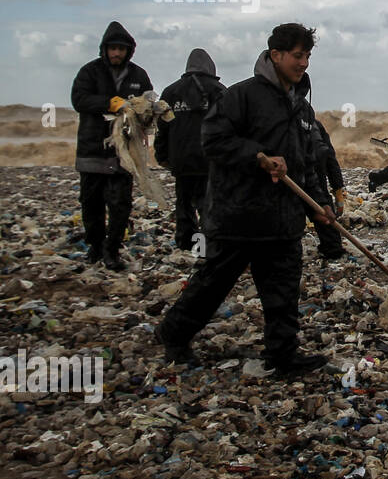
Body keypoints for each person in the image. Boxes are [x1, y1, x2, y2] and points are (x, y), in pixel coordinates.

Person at [154, 23, 336, 375]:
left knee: (283, 291)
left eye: (308, 56)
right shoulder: (240, 96)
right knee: (212, 284)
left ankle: (282, 354)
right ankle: (173, 334)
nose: (304, 64)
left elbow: (306, 164)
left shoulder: (301, 107)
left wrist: (319, 203)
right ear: (276, 55)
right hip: (239, 215)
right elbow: (213, 141)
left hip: (283, 220)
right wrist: (258, 156)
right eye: (298, 56)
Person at [70, 21, 153, 271]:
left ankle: (112, 251)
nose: (117, 53)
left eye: (121, 49)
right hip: (92, 150)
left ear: (129, 51)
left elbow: (148, 102)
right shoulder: (89, 72)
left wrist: (149, 112)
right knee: (91, 203)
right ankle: (95, 248)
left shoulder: (138, 75)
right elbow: (79, 99)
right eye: (112, 48)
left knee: (120, 204)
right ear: (104, 49)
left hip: (124, 153)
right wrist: (110, 103)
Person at [156, 48, 226, 254]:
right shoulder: (219, 91)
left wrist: (162, 156)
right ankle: (205, 248)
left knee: (184, 205)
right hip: (209, 161)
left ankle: (186, 244)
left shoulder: (170, 92)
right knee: (208, 206)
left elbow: (163, 128)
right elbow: (228, 127)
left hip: (181, 160)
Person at [312, 119, 347, 262]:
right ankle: (333, 249)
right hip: (288, 174)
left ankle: (333, 250)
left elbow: (329, 157)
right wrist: (337, 189)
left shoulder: (310, 121)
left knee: (322, 206)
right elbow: (330, 157)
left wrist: (338, 189)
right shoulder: (312, 122)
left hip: (310, 172)